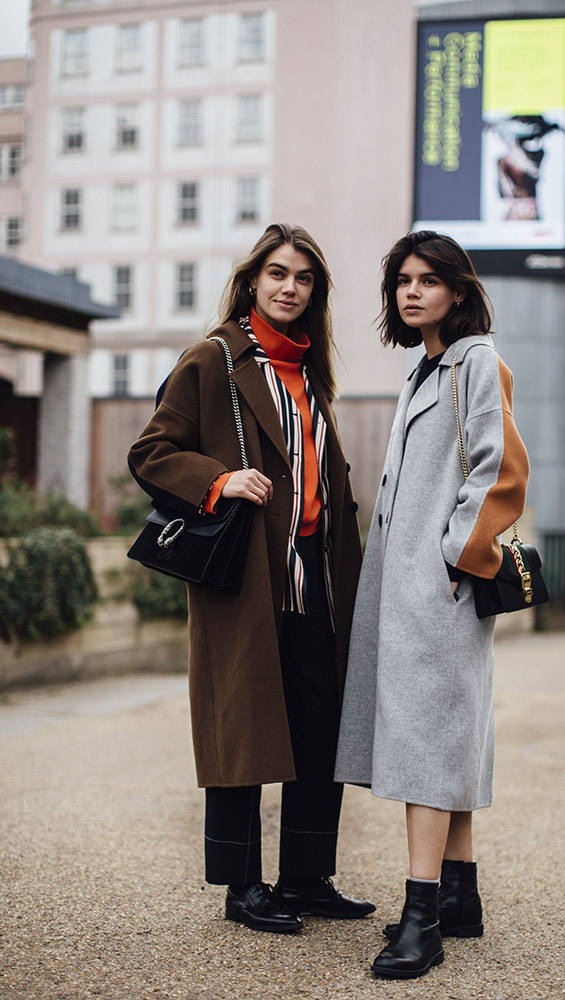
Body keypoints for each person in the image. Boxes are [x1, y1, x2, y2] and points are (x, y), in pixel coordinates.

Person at [128, 223, 374, 934]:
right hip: (247, 584)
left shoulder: (308, 371)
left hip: (315, 582)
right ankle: (241, 888)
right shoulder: (214, 360)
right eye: (277, 274)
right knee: (241, 732)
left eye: (303, 278)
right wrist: (220, 479)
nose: (289, 287)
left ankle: (304, 877)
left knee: (317, 729)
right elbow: (151, 451)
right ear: (252, 282)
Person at [334, 231, 529, 978]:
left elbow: (501, 468)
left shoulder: (475, 361)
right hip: (407, 591)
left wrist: (459, 553)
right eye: (401, 281)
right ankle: (458, 896)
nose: (411, 292)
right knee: (443, 738)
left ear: (456, 287)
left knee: (423, 746)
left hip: (437, 588)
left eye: (427, 280)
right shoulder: (426, 370)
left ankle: (422, 920)